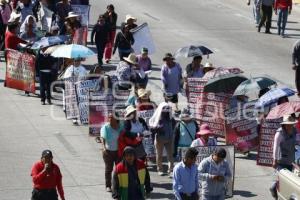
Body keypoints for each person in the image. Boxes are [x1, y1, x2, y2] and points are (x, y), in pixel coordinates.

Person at [270, 115, 297, 199]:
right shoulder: (279, 133)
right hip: (281, 159)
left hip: (291, 158)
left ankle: (282, 193)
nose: (290, 126)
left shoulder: (295, 131)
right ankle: (273, 189)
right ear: (284, 124)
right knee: (279, 179)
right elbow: (275, 146)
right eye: (288, 124)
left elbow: (297, 141)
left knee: (287, 178)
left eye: (291, 124)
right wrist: (274, 159)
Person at [149, 102, 176, 177]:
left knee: (170, 155)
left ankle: (170, 170)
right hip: (159, 139)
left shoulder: (171, 119)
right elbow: (152, 127)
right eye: (164, 109)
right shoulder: (158, 118)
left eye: (167, 109)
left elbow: (174, 125)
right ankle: (160, 169)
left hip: (169, 139)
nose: (166, 111)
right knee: (159, 155)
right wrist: (158, 128)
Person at [101, 112, 124, 192]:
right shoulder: (105, 127)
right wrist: (103, 148)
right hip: (108, 152)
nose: (110, 119)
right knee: (108, 169)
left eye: (112, 117)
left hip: (119, 152)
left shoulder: (121, 127)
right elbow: (103, 138)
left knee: (119, 169)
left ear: (116, 119)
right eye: (109, 117)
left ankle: (118, 185)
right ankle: (108, 185)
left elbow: (124, 136)